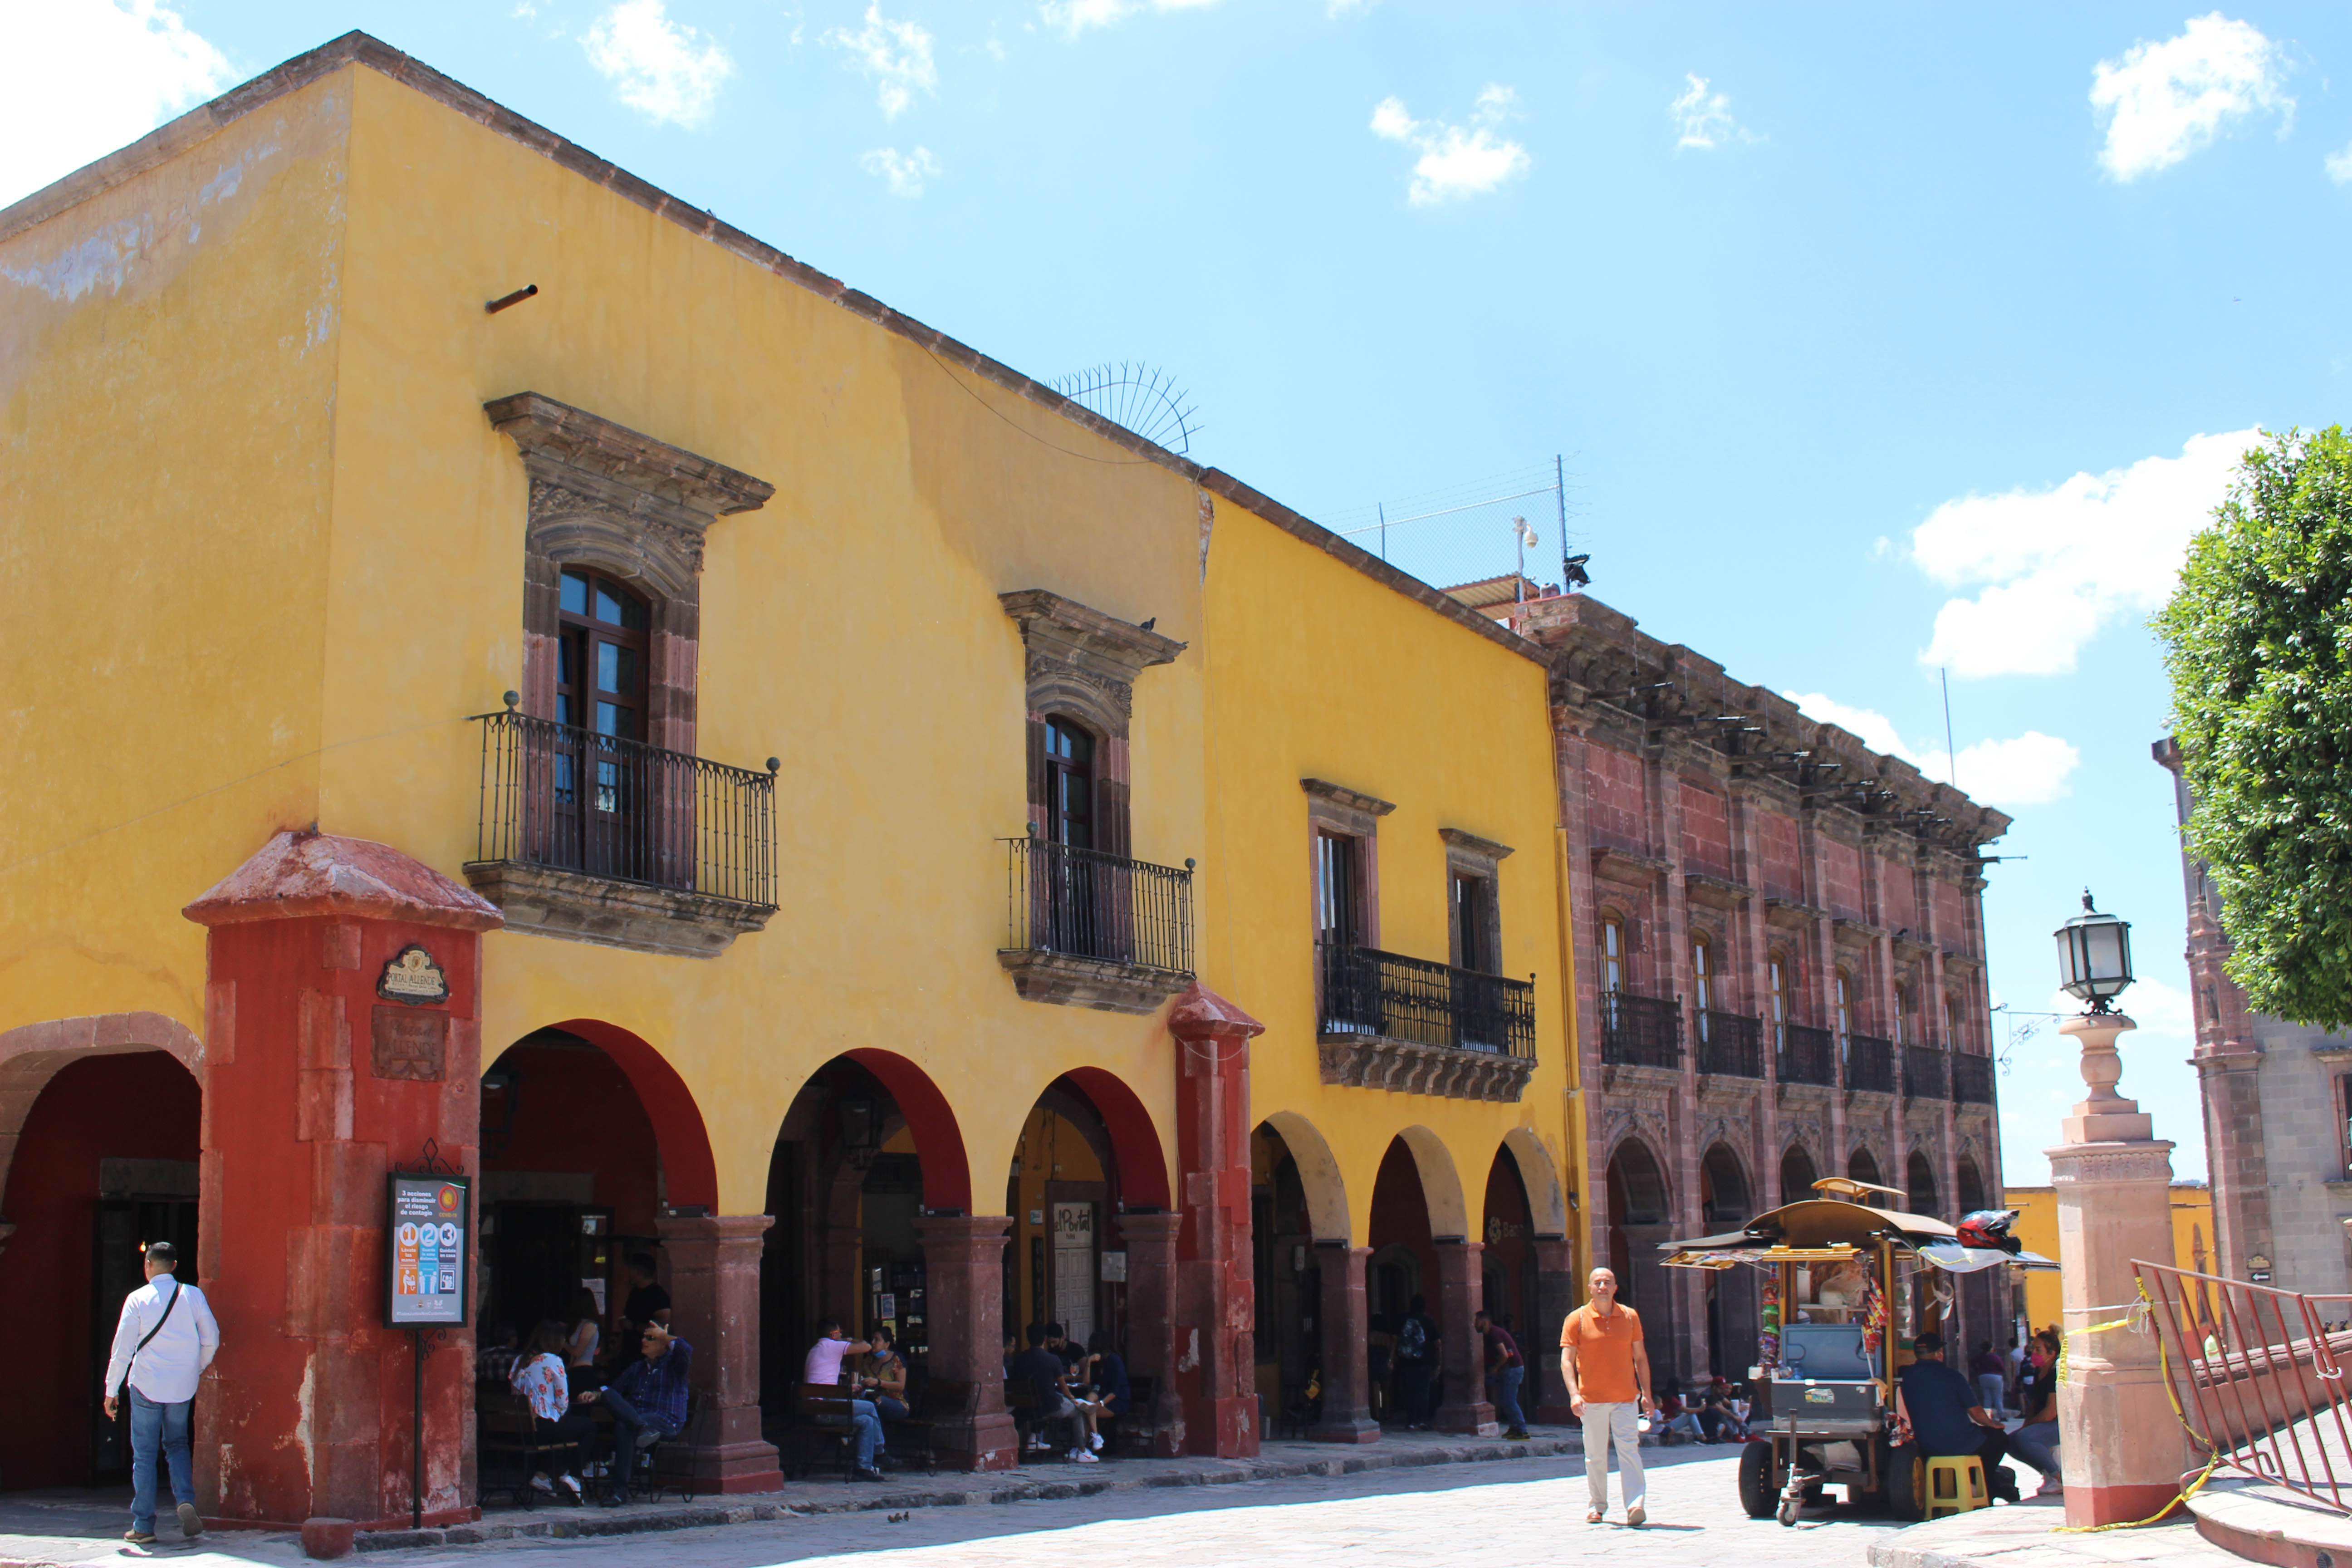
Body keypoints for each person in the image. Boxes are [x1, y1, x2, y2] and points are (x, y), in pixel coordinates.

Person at [103, 1240, 220, 1547]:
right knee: (178, 1444)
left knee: (144, 1455)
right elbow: (212, 1339)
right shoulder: (192, 1295)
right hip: (182, 1387)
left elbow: (122, 1350)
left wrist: (111, 1390)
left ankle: (143, 1525)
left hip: (146, 1385)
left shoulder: (136, 1299)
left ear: (148, 1265)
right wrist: (195, 1368)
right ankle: (186, 1500)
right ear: (175, 1266)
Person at [1891, 1330, 2037, 1503]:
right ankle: (1987, 1483)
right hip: (1960, 1443)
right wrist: (1992, 1424)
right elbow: (1976, 1413)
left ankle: (1985, 1482)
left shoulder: (1906, 1377)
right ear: (1939, 1354)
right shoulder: (1952, 1377)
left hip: (1926, 1443)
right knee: (2000, 1439)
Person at [1563, 1265, 1651, 1527]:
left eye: (1608, 1282)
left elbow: (1641, 1358)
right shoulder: (1576, 1320)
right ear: (1590, 1288)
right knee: (1595, 1456)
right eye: (1598, 1282)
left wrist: (1647, 1394)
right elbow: (1567, 1362)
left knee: (1629, 1452)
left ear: (1615, 1288)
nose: (1603, 1286)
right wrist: (1574, 1395)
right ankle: (1597, 1506)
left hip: (1626, 1399)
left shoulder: (1630, 1317)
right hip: (1591, 1401)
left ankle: (1635, 1505)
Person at [579, 1322, 695, 1504]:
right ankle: (639, 1428)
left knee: (624, 1425)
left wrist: (665, 1336)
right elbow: (613, 1392)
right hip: (641, 1422)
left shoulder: (675, 1365)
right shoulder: (637, 1368)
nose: (644, 1341)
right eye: (644, 1337)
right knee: (616, 1409)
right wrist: (594, 1395)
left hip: (665, 1422)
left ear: (664, 1344)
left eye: (651, 1338)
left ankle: (619, 1492)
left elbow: (686, 1350)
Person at [510, 1323, 590, 1500]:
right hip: (541, 1429)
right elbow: (563, 1402)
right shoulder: (552, 1360)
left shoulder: (519, 1360)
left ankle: (543, 1475)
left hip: (518, 1428)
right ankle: (574, 1475)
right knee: (587, 1426)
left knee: (562, 1425)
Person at [804, 1318, 887, 1479]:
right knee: (870, 1407)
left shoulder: (814, 1350)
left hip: (814, 1409)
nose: (842, 1334)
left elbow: (823, 1384)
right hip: (826, 1410)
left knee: (867, 1421)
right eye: (840, 1332)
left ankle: (863, 1468)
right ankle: (880, 1452)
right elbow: (866, 1347)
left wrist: (847, 1390)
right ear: (834, 1334)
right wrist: (848, 1339)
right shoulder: (833, 1345)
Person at [1007, 1323, 1093, 1463]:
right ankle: (1082, 1450)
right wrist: (1072, 1399)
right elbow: (1063, 1387)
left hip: (1026, 1407)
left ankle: (1034, 1439)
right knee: (1078, 1411)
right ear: (1044, 1339)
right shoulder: (1052, 1359)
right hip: (1049, 1406)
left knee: (1045, 1401)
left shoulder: (1019, 1359)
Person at [2008, 1330, 2063, 1498]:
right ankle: (2048, 1472)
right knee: (2010, 1442)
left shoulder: (2054, 1374)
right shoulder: (2039, 1373)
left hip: (2057, 1425)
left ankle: (2059, 1479)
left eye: (2039, 1350)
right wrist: (2027, 1422)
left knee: (2026, 1438)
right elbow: (2035, 1404)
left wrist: (2030, 1426)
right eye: (2033, 1349)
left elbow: (2050, 1413)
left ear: (2052, 1353)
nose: (2034, 1353)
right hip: (2044, 1423)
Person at [1475, 1310, 1530, 1440]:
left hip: (1512, 1370)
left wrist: (1495, 1368)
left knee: (1509, 1400)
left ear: (1485, 1322)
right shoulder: (1490, 1334)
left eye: (1477, 1322)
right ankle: (1514, 1427)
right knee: (1505, 1400)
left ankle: (1522, 1430)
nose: (1475, 1325)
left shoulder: (1494, 1334)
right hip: (1509, 1370)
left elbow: (1505, 1355)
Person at [1394, 1295, 1441, 1431]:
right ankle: (1422, 1420)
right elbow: (1438, 1343)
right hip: (1424, 1363)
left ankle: (1410, 1420)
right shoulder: (1429, 1321)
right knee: (1423, 1393)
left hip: (1405, 1362)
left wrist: (1392, 1359)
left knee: (1409, 1393)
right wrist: (1439, 1363)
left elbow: (1394, 1340)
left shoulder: (1403, 1320)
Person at [619, 1254, 671, 1341]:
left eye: (631, 1268)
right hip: (628, 1350)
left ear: (638, 1271)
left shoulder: (659, 1296)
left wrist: (634, 1326)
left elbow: (663, 1329)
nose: (628, 1272)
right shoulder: (634, 1292)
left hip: (647, 1352)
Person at [566, 1289, 603, 1372]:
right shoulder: (579, 1324)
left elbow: (578, 1352)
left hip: (584, 1370)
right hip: (574, 1368)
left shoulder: (590, 1326)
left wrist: (563, 1343)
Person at [1970, 1339, 2007, 1415]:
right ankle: (2001, 1415)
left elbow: (1972, 1363)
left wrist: (1978, 1371)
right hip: (1996, 1377)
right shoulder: (1995, 1357)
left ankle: (1987, 1415)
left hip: (1983, 1376)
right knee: (1998, 1397)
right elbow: (2002, 1368)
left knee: (1987, 1397)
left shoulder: (1979, 1357)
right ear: (1991, 1348)